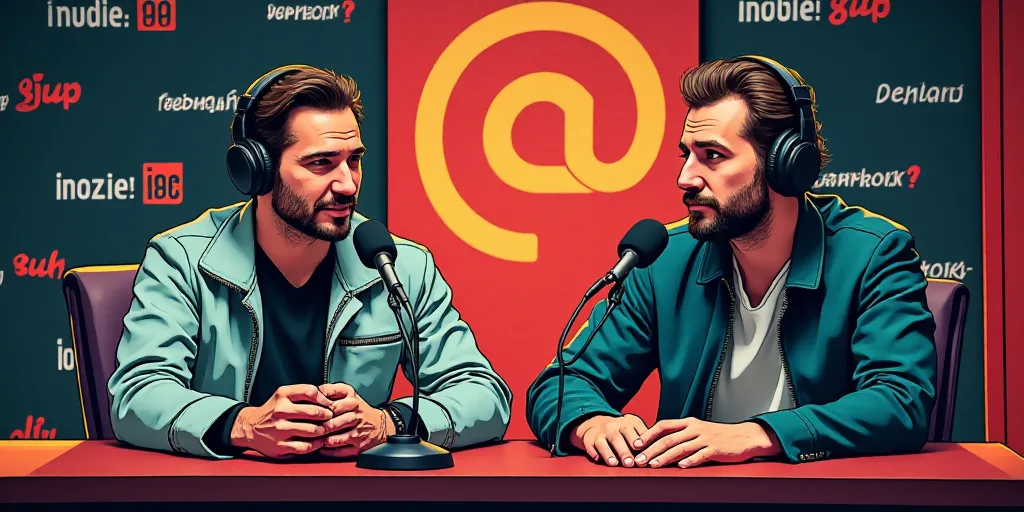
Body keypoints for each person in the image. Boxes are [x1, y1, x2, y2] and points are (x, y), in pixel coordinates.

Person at [525, 56, 938, 469]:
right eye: (686, 154)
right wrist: (592, 423)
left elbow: (900, 401)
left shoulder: (873, 254)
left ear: (784, 164)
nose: (686, 178)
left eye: (713, 156)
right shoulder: (663, 262)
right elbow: (559, 386)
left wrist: (758, 434)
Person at [107, 64, 512, 460]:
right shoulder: (182, 260)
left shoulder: (399, 265)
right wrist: (244, 426)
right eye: (321, 163)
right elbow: (138, 395)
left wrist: (389, 424)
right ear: (257, 170)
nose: (348, 184)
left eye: (353, 160)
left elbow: (485, 395)